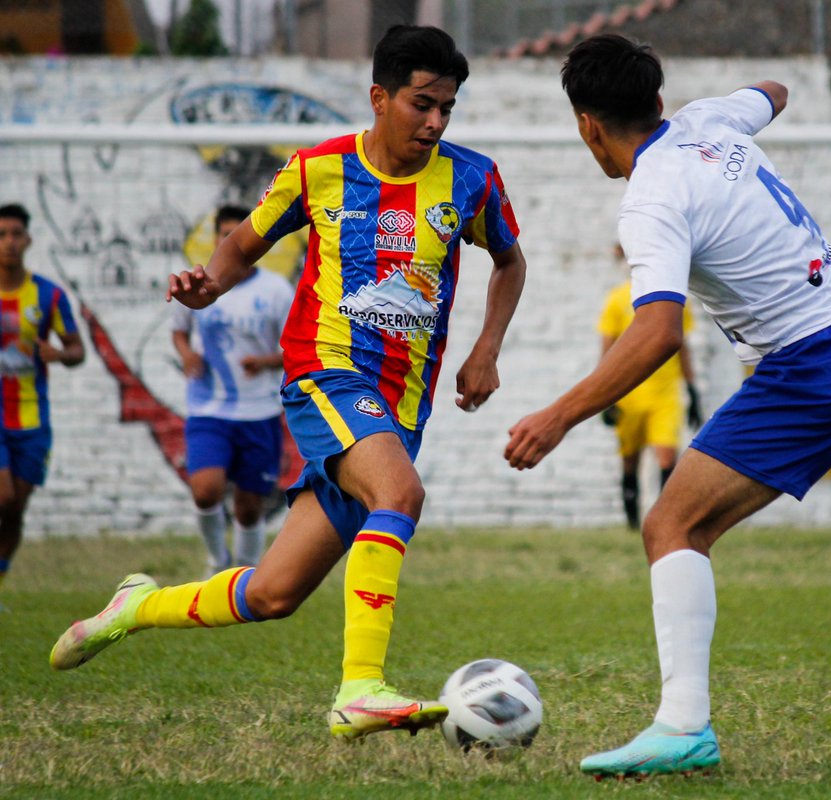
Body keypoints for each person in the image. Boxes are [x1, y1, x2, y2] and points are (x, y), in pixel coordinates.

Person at [505, 34, 831, 783]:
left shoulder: (651, 199)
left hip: (817, 361)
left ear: (587, 124)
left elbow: (657, 332)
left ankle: (683, 723)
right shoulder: (710, 123)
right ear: (658, 102)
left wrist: (556, 416)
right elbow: (777, 91)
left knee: (672, 524)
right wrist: (740, 110)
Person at [50, 25, 527, 744]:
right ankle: (360, 689)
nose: (435, 122)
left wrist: (488, 347)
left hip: (401, 405)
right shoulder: (317, 169)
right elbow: (243, 246)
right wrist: (206, 286)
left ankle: (134, 607)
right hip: (324, 372)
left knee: (273, 593)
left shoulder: (471, 179)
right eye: (422, 104)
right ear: (380, 97)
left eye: (447, 109)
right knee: (399, 496)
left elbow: (510, 262)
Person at [171, 205, 294, 576]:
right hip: (209, 408)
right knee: (205, 490)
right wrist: (188, 353)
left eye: (236, 233)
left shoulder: (276, 290)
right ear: (214, 238)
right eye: (223, 233)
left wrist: (266, 362)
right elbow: (178, 330)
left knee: (249, 504)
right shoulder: (199, 284)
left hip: (259, 411)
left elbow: (294, 349)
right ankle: (216, 562)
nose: (229, 241)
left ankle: (244, 576)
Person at [0, 203, 85, 607]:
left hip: (33, 416)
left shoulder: (48, 295)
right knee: (1, 498)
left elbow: (77, 349)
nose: (9, 243)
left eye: (16, 234)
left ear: (29, 239)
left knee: (15, 508)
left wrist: (60, 354)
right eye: (1, 235)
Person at [597, 247, 702, 529]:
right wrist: (603, 396)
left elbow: (683, 348)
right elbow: (607, 350)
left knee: (667, 455)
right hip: (628, 393)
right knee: (630, 460)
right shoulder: (617, 300)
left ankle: (666, 521)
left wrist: (692, 389)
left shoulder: (677, 302)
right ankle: (632, 523)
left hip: (665, 393)